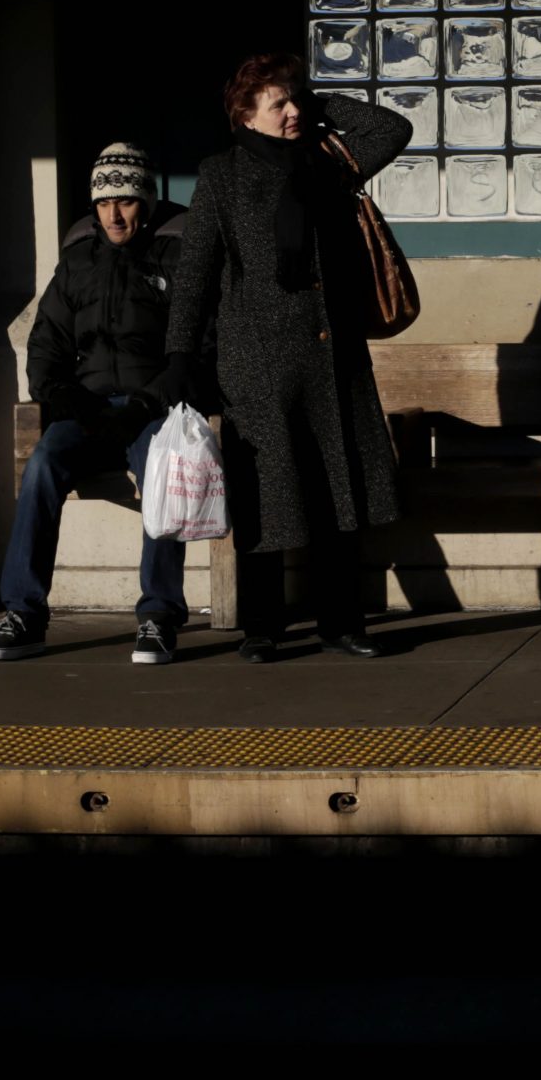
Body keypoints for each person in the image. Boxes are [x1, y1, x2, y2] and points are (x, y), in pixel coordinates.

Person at [159, 56, 412, 661]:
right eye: (278, 104)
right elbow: (195, 274)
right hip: (257, 366)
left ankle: (344, 622)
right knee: (265, 499)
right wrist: (179, 353)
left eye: (295, 100)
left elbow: (391, 129)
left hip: (331, 358)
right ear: (245, 116)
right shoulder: (221, 175)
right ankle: (263, 628)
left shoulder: (330, 162)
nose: (293, 111)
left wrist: (317, 102)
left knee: (338, 493)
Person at [0, 143, 209, 665]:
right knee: (41, 466)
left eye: (125, 202)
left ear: (145, 202)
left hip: (152, 411)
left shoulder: (176, 255)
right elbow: (46, 345)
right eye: (103, 203)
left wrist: (142, 407)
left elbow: (195, 350)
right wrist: (65, 400)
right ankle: (25, 615)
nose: (113, 214)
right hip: (88, 409)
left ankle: (157, 617)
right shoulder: (78, 260)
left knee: (162, 476)